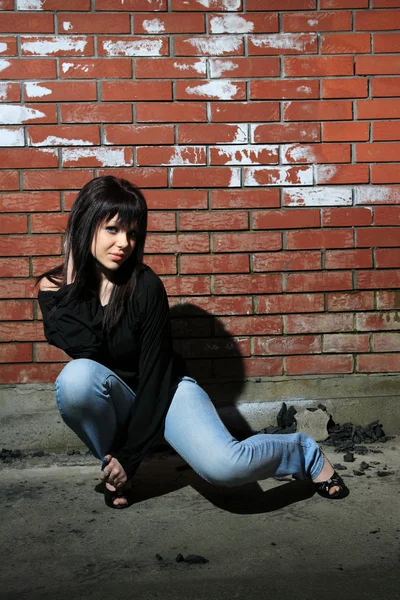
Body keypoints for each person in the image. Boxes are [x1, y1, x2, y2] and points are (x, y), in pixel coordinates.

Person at [37, 175, 348, 509]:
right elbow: (86, 350)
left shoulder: (145, 286)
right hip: (114, 396)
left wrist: (131, 455)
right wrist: (72, 279)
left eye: (132, 233)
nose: (124, 243)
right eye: (113, 229)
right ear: (86, 225)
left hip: (167, 392)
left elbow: (156, 375)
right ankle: (119, 470)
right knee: (76, 380)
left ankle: (305, 453)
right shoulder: (54, 290)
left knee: (227, 467)